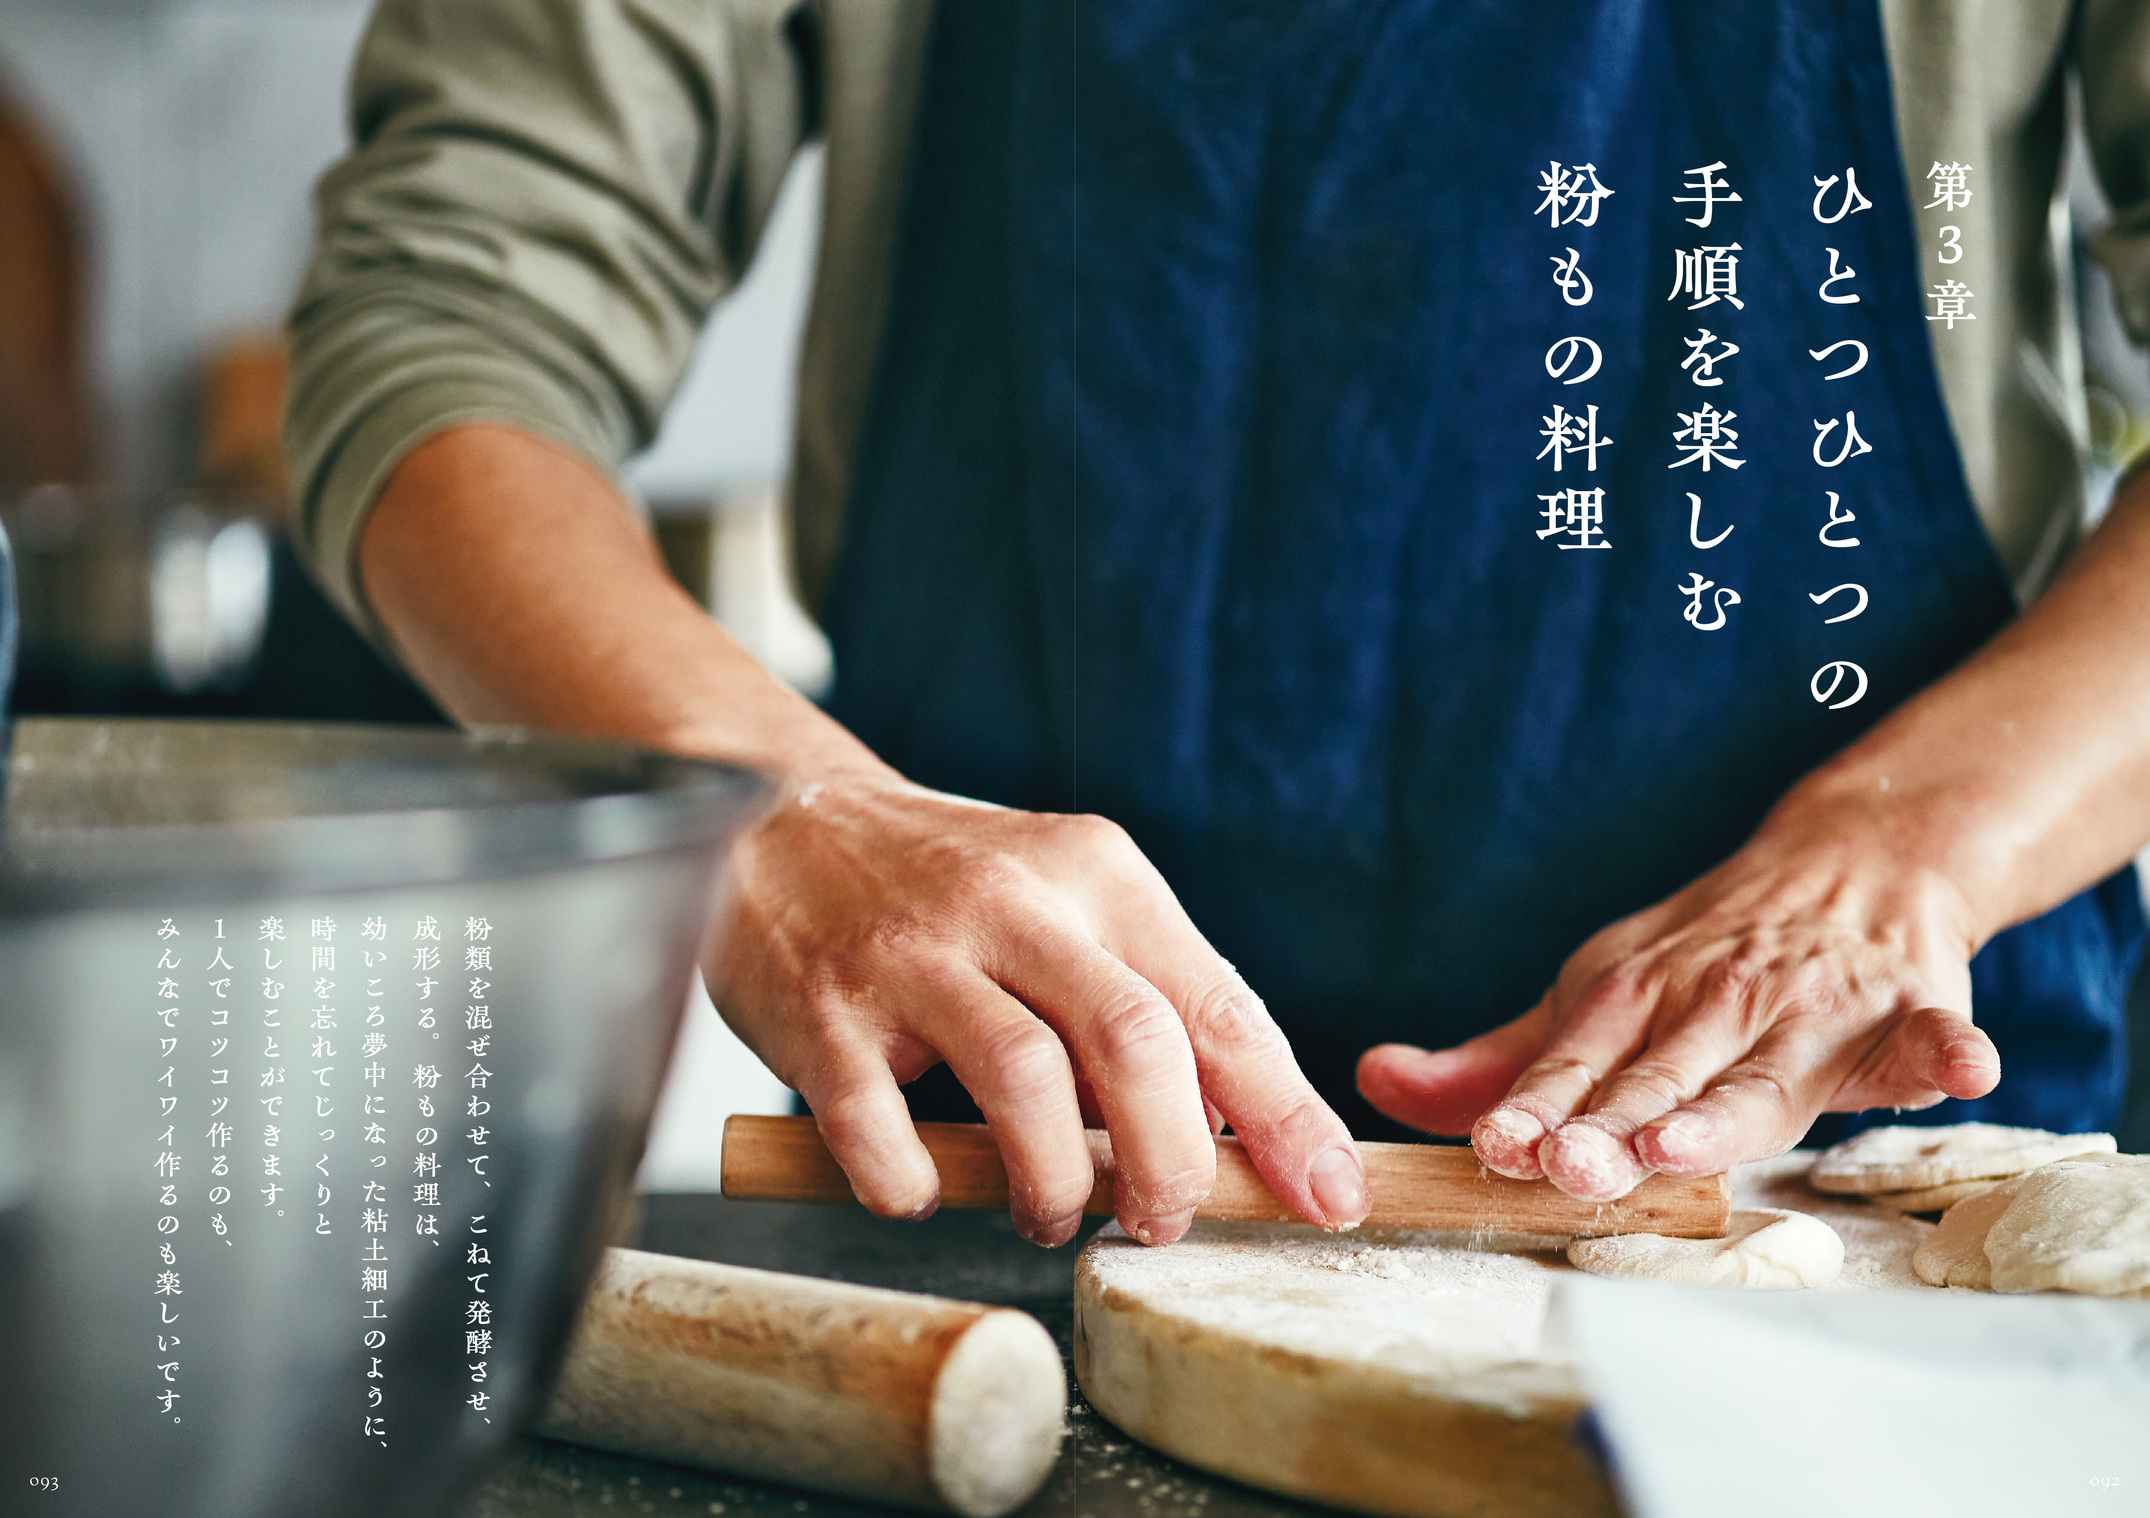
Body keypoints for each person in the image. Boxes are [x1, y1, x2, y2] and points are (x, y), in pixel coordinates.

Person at [287, 0, 2150, 1247]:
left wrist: (1889, 860)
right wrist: (759, 799)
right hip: (1021, 1154)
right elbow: (446, 321)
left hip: (1864, 1168)